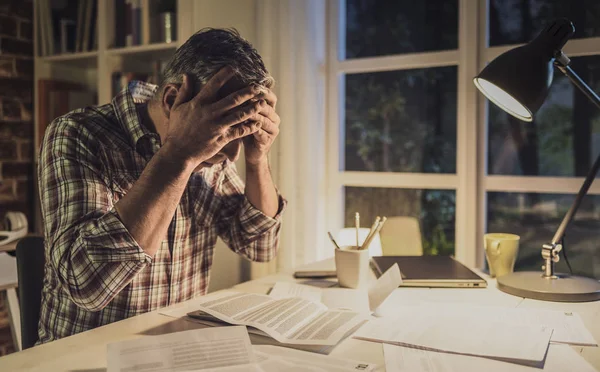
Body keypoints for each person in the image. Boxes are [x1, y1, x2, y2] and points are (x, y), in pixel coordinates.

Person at [36, 28, 285, 343]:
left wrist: (257, 159)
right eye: (225, 131)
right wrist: (179, 154)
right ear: (172, 99)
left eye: (241, 133)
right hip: (87, 355)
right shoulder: (77, 134)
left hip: (177, 351)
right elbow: (87, 285)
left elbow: (260, 246)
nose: (231, 155)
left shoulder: (218, 152)